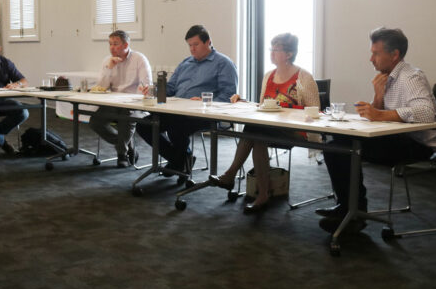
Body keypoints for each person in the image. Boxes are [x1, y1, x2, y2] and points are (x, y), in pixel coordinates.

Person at [316, 27, 436, 233]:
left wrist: (379, 114)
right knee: (335, 145)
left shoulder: (410, 77)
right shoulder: (387, 77)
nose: (371, 59)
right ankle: (348, 208)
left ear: (394, 55)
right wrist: (378, 97)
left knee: (344, 147)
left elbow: (426, 113)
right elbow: (379, 116)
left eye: (376, 53)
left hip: (417, 144)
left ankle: (354, 212)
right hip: (397, 137)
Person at [208, 33, 320, 213]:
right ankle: (260, 193)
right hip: (269, 129)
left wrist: (289, 114)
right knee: (257, 131)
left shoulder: (304, 77)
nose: (271, 53)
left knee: (256, 130)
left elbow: (314, 111)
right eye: (271, 49)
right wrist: (243, 102)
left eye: (276, 50)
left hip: (295, 130)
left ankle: (232, 176)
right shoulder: (269, 76)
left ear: (289, 54)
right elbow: (262, 107)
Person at [137, 25, 238, 178]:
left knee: (175, 127)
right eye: (189, 45)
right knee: (144, 125)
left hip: (204, 114)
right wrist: (154, 90)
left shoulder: (223, 63)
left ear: (208, 42)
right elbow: (170, 88)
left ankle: (179, 162)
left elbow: (228, 95)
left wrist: (204, 101)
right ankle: (181, 160)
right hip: (177, 111)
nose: (192, 49)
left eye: (195, 45)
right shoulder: (186, 63)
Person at [89, 30, 152, 168]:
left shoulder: (139, 59)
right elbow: (102, 87)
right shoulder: (107, 61)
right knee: (94, 121)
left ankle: (122, 154)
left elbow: (146, 84)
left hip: (135, 103)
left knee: (126, 115)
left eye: (116, 44)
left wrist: (138, 95)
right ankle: (126, 145)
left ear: (126, 45)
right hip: (113, 102)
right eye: (110, 44)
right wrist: (109, 68)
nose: (112, 47)